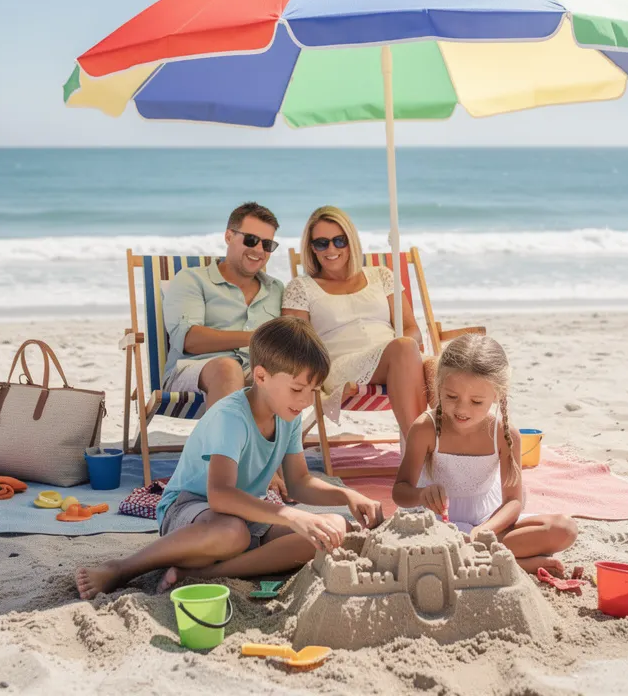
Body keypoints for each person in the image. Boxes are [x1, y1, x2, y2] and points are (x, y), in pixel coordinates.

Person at [75, 317, 385, 598]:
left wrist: (347, 495)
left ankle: (204, 573)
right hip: (191, 511)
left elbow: (300, 482)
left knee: (332, 528)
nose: (305, 401)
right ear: (261, 377)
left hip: (246, 515)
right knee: (233, 533)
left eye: (313, 391)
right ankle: (122, 568)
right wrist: (290, 515)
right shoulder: (231, 416)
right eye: (297, 389)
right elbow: (220, 495)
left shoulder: (287, 415)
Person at [392, 334, 578, 576]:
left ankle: (475, 554)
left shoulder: (504, 434)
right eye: (451, 397)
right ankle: (511, 562)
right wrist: (421, 494)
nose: (461, 409)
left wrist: (484, 531)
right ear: (438, 386)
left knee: (564, 529)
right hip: (435, 523)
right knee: (421, 547)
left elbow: (513, 501)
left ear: (498, 395)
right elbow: (400, 492)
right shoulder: (424, 429)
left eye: (477, 401)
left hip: (487, 521)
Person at [282, 205, 426, 439]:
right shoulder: (300, 288)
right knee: (405, 348)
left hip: (398, 356)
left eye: (340, 241)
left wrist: (402, 354)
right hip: (341, 368)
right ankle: (420, 449)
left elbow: (412, 329)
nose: (331, 249)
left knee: (445, 370)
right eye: (322, 243)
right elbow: (298, 347)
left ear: (352, 242)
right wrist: (402, 350)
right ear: (311, 248)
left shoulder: (382, 275)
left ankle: (455, 451)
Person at [161, 201, 284, 407]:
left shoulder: (277, 289)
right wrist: (255, 338)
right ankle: (227, 439)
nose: (259, 250)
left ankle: (271, 440)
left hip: (256, 375)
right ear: (228, 237)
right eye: (251, 240)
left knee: (284, 377)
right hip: (195, 370)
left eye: (267, 244)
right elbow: (189, 339)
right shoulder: (192, 279)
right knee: (228, 368)